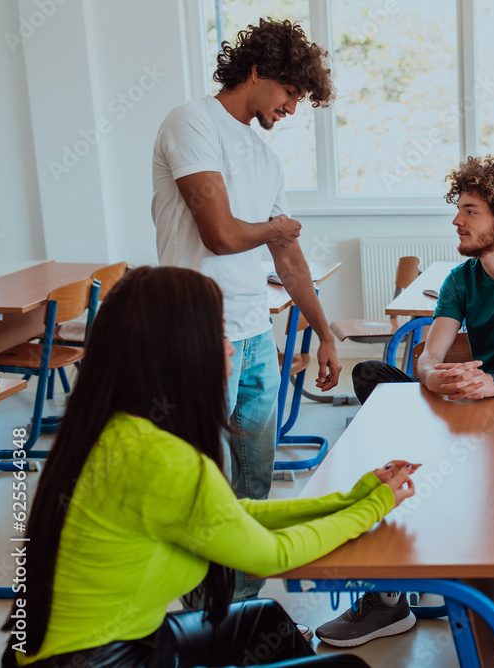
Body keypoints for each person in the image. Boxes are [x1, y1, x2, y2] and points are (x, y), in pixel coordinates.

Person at [0, 266, 416, 668]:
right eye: (218, 332)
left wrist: (349, 499)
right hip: (104, 658)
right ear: (178, 349)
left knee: (265, 620)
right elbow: (271, 556)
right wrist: (373, 506)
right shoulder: (160, 458)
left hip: (88, 647)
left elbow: (232, 515)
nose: (232, 345)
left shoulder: (117, 426)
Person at [317, 155, 494, 660]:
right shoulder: (460, 279)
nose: (457, 221)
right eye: (460, 210)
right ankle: (389, 593)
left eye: (470, 211)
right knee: (376, 384)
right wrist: (436, 375)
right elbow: (428, 355)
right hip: (482, 415)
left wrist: (492, 384)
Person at [151, 18, 343, 601]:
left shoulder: (266, 161)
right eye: (289, 94)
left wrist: (325, 333)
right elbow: (220, 235)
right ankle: (196, 610)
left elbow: (288, 260)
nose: (291, 108)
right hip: (199, 340)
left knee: (254, 485)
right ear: (258, 72)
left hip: (255, 335)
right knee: (202, 486)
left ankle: (238, 611)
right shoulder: (192, 123)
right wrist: (277, 228)